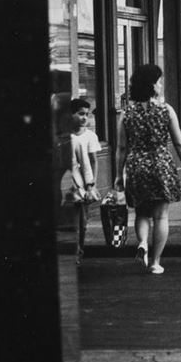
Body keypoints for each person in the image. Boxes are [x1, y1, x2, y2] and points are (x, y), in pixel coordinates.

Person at [114, 63, 181, 275]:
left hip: (136, 165)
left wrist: (118, 176)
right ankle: (155, 262)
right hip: (161, 164)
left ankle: (142, 243)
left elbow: (121, 148)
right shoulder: (166, 110)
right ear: (152, 85)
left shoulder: (126, 113)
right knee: (160, 216)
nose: (161, 85)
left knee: (141, 212)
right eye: (159, 81)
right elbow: (179, 143)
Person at [70, 98, 101, 261]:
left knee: (82, 222)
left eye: (87, 115)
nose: (84, 118)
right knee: (72, 222)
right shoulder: (66, 136)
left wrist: (92, 184)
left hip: (84, 184)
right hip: (68, 184)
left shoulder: (90, 136)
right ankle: (74, 253)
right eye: (80, 114)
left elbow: (93, 161)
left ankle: (79, 250)